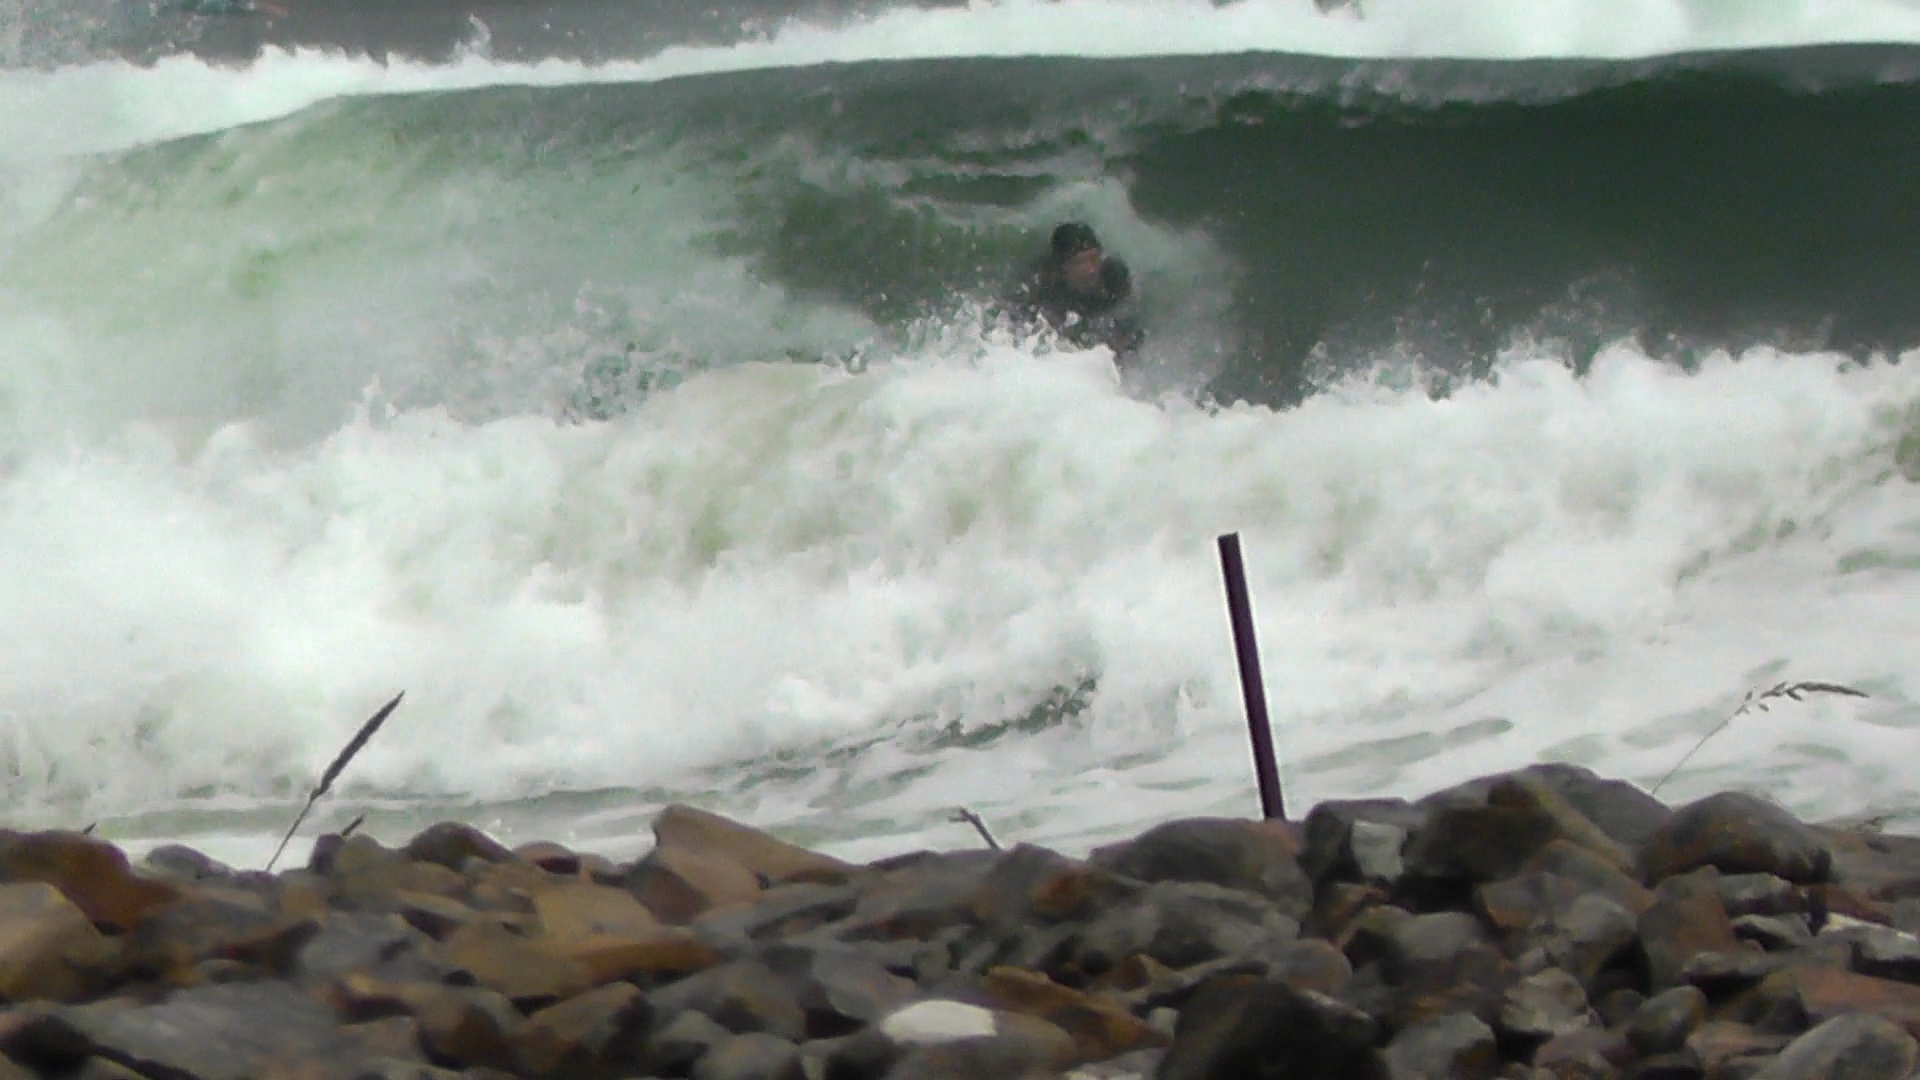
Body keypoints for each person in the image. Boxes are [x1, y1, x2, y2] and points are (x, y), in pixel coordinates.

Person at [1000, 222, 1144, 359]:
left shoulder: (1114, 277)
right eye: (1080, 263)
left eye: (1094, 258)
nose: (1091, 270)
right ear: (1062, 268)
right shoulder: (1044, 287)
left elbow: (1129, 317)